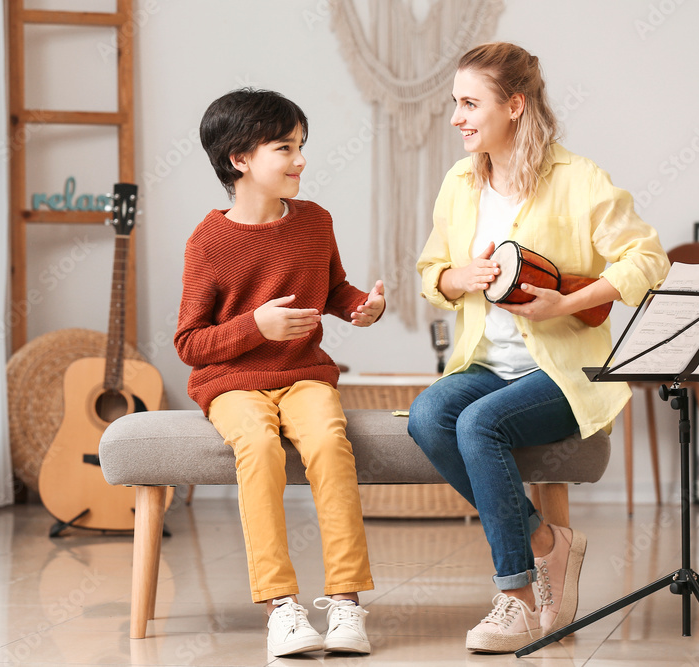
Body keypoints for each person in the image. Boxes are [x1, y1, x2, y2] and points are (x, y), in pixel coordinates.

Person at [408, 42, 670, 654]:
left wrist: (564, 304)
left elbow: (648, 260)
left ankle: (518, 600)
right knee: (428, 414)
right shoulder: (459, 183)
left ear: (515, 105)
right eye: (455, 103)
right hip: (487, 365)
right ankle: (548, 546)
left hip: (564, 370)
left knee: (477, 424)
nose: (456, 117)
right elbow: (430, 270)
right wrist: (456, 278)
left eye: (470, 103)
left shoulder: (579, 180)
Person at [174, 88, 386, 657]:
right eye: (283, 147)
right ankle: (281, 608)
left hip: (305, 375)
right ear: (238, 159)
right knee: (260, 450)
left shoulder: (316, 222)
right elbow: (190, 344)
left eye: (301, 145)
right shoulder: (209, 241)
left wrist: (362, 306)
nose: (300, 159)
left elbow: (334, 288)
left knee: (328, 442)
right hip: (231, 383)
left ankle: (345, 603)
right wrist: (255, 328)